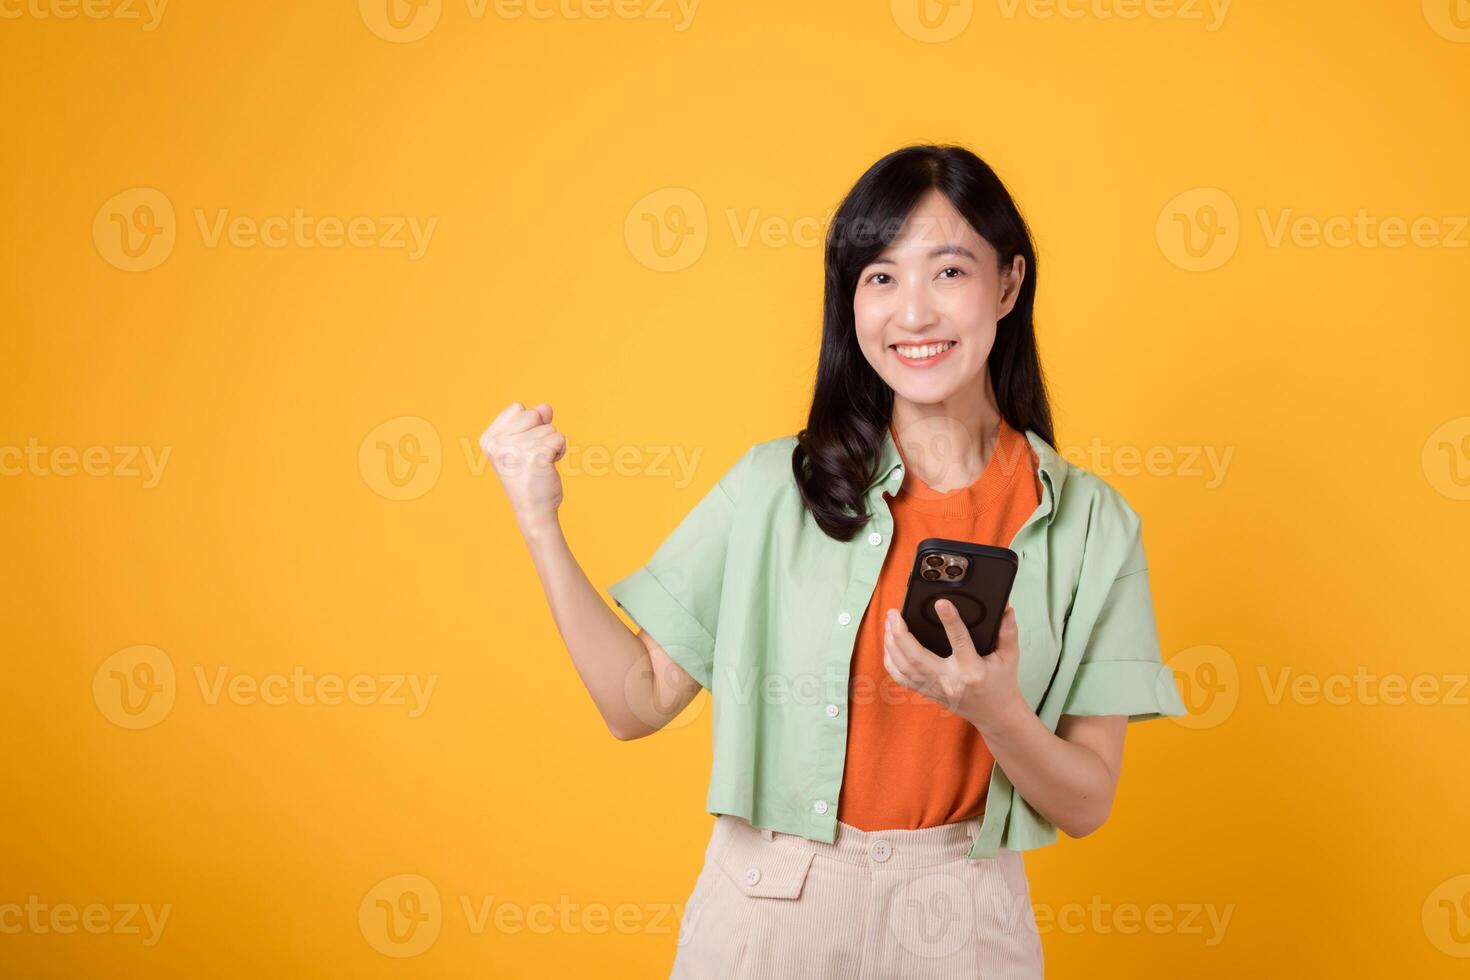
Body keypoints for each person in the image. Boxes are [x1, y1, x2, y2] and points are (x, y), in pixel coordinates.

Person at [480, 143, 1188, 979]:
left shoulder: (1093, 527)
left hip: (963, 920)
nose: (913, 314)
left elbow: (1086, 802)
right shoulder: (772, 489)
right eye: (880, 278)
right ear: (849, 301)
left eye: (949, 271)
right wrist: (538, 521)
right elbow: (634, 701)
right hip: (771, 912)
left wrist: (996, 710)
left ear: (1007, 284)